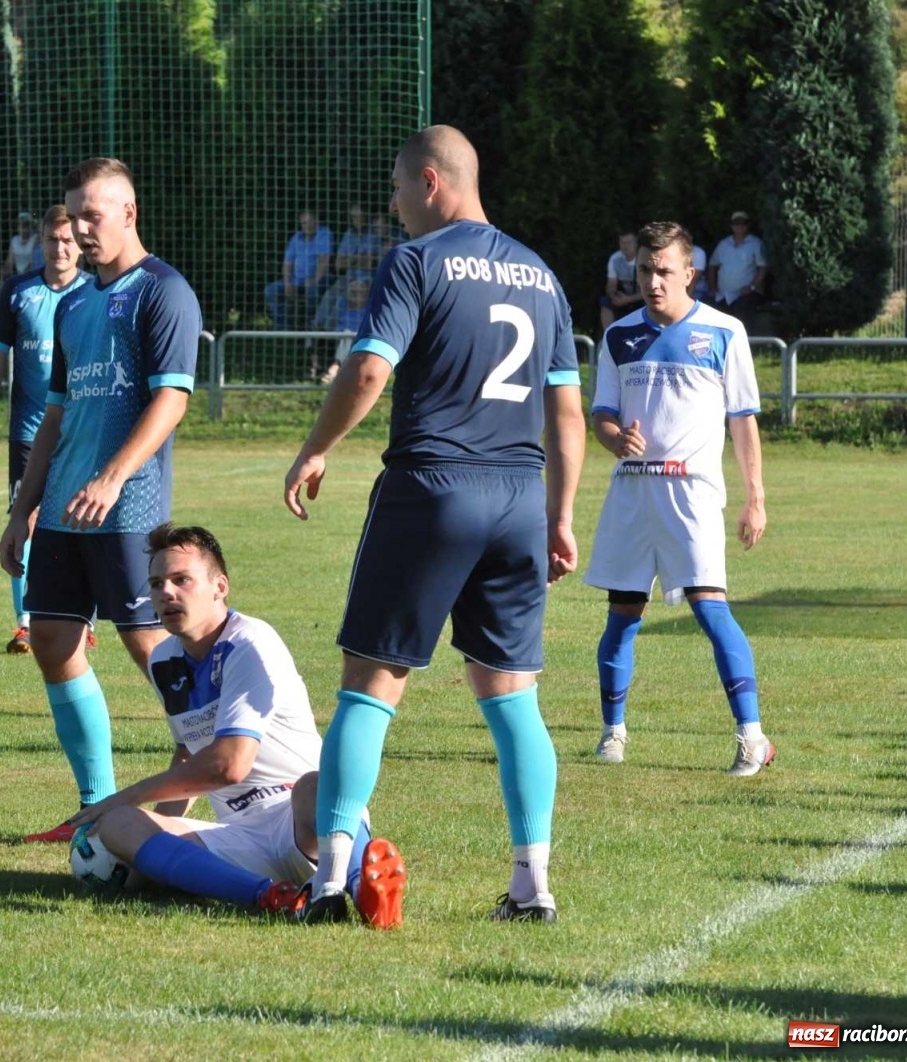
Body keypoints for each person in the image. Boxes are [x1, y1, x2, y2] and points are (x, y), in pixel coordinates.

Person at [282, 126, 586, 924]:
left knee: (370, 686)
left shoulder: (416, 262)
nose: (393, 207)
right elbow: (566, 411)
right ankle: (532, 885)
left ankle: (330, 881)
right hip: (518, 498)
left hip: (433, 486)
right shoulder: (541, 274)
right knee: (513, 697)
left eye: (396, 189)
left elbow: (369, 368)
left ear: (430, 181)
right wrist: (559, 515)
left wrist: (316, 447)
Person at [0, 156, 202, 843]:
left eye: (93, 214)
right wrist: (22, 509)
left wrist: (113, 477)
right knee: (53, 641)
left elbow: (171, 399)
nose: (83, 228)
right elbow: (55, 415)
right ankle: (95, 806)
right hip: (63, 508)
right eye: (75, 215)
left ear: (128, 213)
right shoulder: (75, 304)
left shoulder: (162, 291)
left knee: (154, 650)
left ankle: (207, 775)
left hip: (128, 507)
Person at [66, 523, 406, 928]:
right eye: (156, 584)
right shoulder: (163, 660)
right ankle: (272, 897)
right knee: (119, 825)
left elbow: (229, 765)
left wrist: (126, 795)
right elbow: (188, 753)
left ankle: (361, 885)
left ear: (220, 587)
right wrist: (151, 833)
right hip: (240, 835)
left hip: (304, 821)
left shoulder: (250, 642)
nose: (166, 593)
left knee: (314, 786)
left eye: (181, 580)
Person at [586, 221, 772, 777]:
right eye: (644, 270)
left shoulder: (724, 332)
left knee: (711, 609)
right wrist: (614, 438)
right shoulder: (619, 335)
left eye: (664, 271)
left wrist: (755, 498)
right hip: (631, 492)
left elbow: (743, 421)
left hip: (691, 492)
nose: (652, 281)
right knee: (622, 616)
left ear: (690, 273)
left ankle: (752, 737)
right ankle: (612, 733)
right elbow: (602, 413)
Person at [0, 205, 89, 654]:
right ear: (40, 242)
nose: (59, 248)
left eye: (68, 241)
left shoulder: (95, 292)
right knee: (23, 521)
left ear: (80, 245)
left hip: (80, 431)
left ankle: (83, 620)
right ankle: (25, 622)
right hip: (27, 431)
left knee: (81, 523)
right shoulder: (18, 291)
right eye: (52, 240)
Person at [313, 204, 382, 328]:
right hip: (349, 277)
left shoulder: (374, 234)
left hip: (368, 279)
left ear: (366, 217)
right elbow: (338, 265)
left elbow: (371, 263)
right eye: (354, 217)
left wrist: (349, 259)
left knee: (342, 299)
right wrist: (358, 258)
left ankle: (328, 331)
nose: (356, 220)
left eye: (359, 217)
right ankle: (316, 327)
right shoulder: (348, 235)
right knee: (330, 294)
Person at [263, 210, 333, 332]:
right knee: (270, 290)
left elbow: (324, 261)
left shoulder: (324, 234)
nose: (307, 226)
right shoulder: (296, 238)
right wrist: (287, 283)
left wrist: (313, 280)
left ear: (317, 221)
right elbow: (287, 263)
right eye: (304, 223)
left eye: (310, 222)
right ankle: (283, 329)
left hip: (319, 278)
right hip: (296, 280)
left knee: (312, 291)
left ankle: (309, 328)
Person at [707, 211, 767, 325]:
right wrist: (713, 287)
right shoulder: (723, 244)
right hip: (723, 294)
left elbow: (763, 267)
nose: (740, 226)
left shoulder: (756, 243)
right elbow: (712, 265)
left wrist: (752, 286)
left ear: (748, 225)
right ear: (731, 225)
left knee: (742, 319)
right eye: (736, 223)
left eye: (743, 223)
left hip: (746, 294)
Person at [599, 231, 642, 330]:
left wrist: (629, 299)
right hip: (622, 296)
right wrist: (614, 296)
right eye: (622, 243)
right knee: (605, 302)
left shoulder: (643, 259)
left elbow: (649, 289)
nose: (625, 246)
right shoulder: (615, 259)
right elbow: (611, 285)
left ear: (635, 243)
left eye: (629, 243)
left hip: (640, 298)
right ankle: (609, 333)